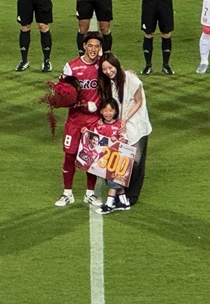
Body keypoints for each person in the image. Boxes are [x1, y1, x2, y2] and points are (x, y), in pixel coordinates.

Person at [55, 31, 104, 208]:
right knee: (70, 156)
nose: (93, 49)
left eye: (96, 46)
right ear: (84, 46)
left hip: (94, 121)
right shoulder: (71, 67)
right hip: (75, 121)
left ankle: (89, 193)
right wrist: (82, 104)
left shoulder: (103, 66)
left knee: (91, 158)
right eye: (90, 45)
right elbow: (61, 94)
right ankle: (67, 193)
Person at [98, 52, 152, 205]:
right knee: (119, 158)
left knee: (136, 161)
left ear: (116, 64)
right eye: (104, 69)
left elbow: (138, 101)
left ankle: (131, 195)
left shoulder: (131, 79)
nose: (108, 71)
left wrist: (125, 119)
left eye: (110, 67)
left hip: (136, 123)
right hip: (119, 124)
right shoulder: (107, 83)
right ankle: (119, 193)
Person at [92, 98, 132, 215]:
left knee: (113, 183)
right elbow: (94, 139)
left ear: (115, 111)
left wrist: (118, 140)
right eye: (105, 110)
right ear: (101, 111)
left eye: (111, 110)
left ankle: (109, 205)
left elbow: (125, 139)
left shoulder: (119, 125)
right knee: (116, 182)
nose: (108, 113)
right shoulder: (98, 125)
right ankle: (124, 203)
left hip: (116, 158)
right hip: (105, 158)